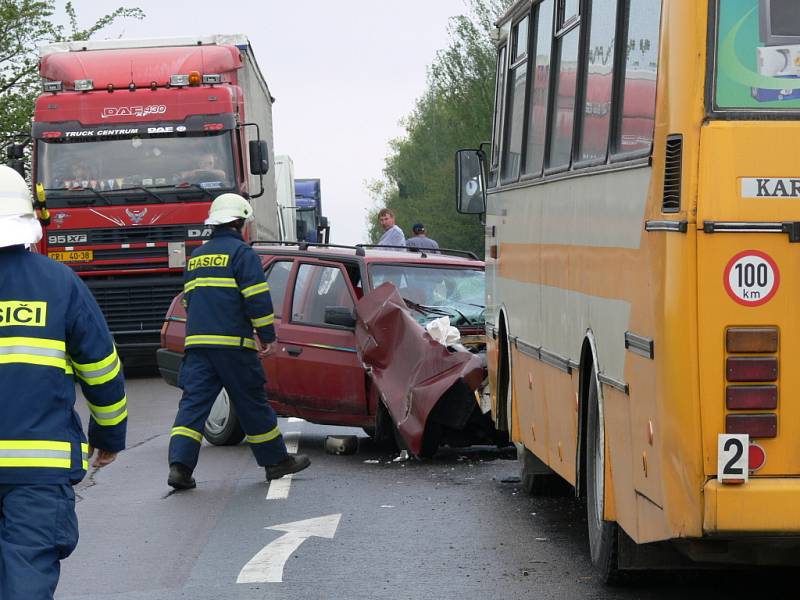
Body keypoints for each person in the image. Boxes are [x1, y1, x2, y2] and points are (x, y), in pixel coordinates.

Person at [0, 165, 127, 599]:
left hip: (38, 469)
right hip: (38, 469)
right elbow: (101, 368)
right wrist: (108, 434)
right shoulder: (58, 282)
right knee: (27, 574)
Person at [167, 193, 310, 490]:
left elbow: (190, 301)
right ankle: (275, 462)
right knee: (252, 404)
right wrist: (267, 336)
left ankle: (180, 468)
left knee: (192, 407)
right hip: (233, 347)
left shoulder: (196, 257)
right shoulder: (242, 255)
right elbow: (257, 299)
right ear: (239, 223)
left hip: (197, 347)